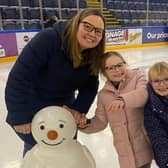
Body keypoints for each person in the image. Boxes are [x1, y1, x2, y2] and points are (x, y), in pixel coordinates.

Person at [5, 8, 106, 156]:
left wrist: (78, 110)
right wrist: (20, 116)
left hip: (64, 111)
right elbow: (19, 78)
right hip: (35, 109)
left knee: (66, 151)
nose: (92, 34)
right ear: (76, 23)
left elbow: (90, 87)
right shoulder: (49, 39)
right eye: (87, 26)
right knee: (38, 153)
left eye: (98, 31)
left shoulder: (93, 55)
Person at [79, 51, 153, 168]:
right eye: (111, 68)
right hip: (124, 153)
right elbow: (100, 122)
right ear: (104, 72)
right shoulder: (104, 95)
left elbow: (143, 95)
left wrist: (123, 100)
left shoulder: (137, 77)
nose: (117, 70)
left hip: (143, 147)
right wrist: (85, 125)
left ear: (125, 64)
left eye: (119, 65)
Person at [144, 62, 168, 168]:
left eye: (167, 79)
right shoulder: (150, 106)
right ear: (150, 83)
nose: (162, 85)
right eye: (157, 81)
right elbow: (157, 135)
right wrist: (166, 161)